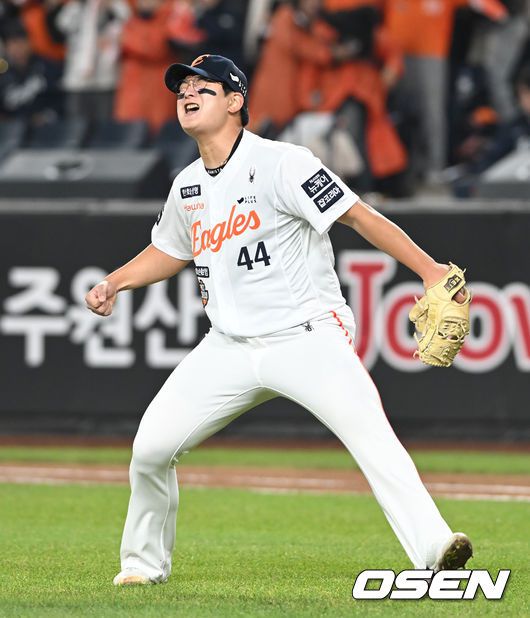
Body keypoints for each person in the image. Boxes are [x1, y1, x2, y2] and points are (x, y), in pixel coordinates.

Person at [85, 53, 473, 586]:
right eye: (182, 89)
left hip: (305, 336)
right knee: (151, 449)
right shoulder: (187, 185)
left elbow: (357, 216)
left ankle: (434, 547)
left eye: (203, 87)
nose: (188, 94)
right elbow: (170, 250)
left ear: (235, 101)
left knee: (370, 434)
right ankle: (141, 565)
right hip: (228, 346)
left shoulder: (284, 163)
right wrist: (115, 282)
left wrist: (430, 271)